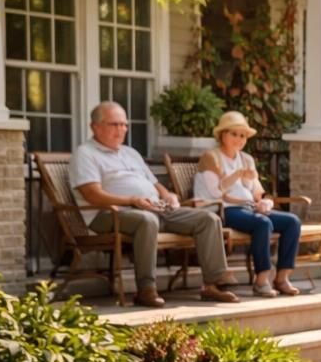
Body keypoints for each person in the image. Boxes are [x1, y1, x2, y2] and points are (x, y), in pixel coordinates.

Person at [71, 101, 238, 306]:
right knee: (147, 220)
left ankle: (213, 285)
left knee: (208, 219)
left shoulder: (130, 153)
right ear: (95, 127)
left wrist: (169, 196)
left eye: (124, 124)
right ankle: (146, 289)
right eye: (115, 124)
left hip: (154, 208)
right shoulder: (85, 154)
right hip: (109, 214)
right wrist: (132, 200)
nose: (122, 129)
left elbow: (155, 184)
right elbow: (92, 194)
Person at [195, 111, 304, 297]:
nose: (239, 139)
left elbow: (257, 192)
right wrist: (238, 177)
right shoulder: (211, 158)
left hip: (249, 209)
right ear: (222, 135)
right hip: (225, 210)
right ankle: (261, 280)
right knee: (262, 223)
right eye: (234, 134)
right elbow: (217, 193)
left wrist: (264, 203)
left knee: (292, 221)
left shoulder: (246, 159)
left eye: (243, 135)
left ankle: (282, 277)